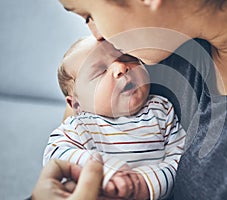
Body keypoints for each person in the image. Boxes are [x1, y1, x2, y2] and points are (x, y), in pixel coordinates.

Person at [33, 0, 227, 199]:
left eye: (90, 16)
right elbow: (78, 115)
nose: (98, 37)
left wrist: (142, 184)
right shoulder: (154, 41)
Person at [43, 36, 186, 200]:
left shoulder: (161, 109)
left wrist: (146, 183)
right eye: (101, 71)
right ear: (76, 104)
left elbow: (181, 157)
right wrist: (105, 170)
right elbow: (55, 156)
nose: (122, 67)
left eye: (127, 58)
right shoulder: (79, 126)